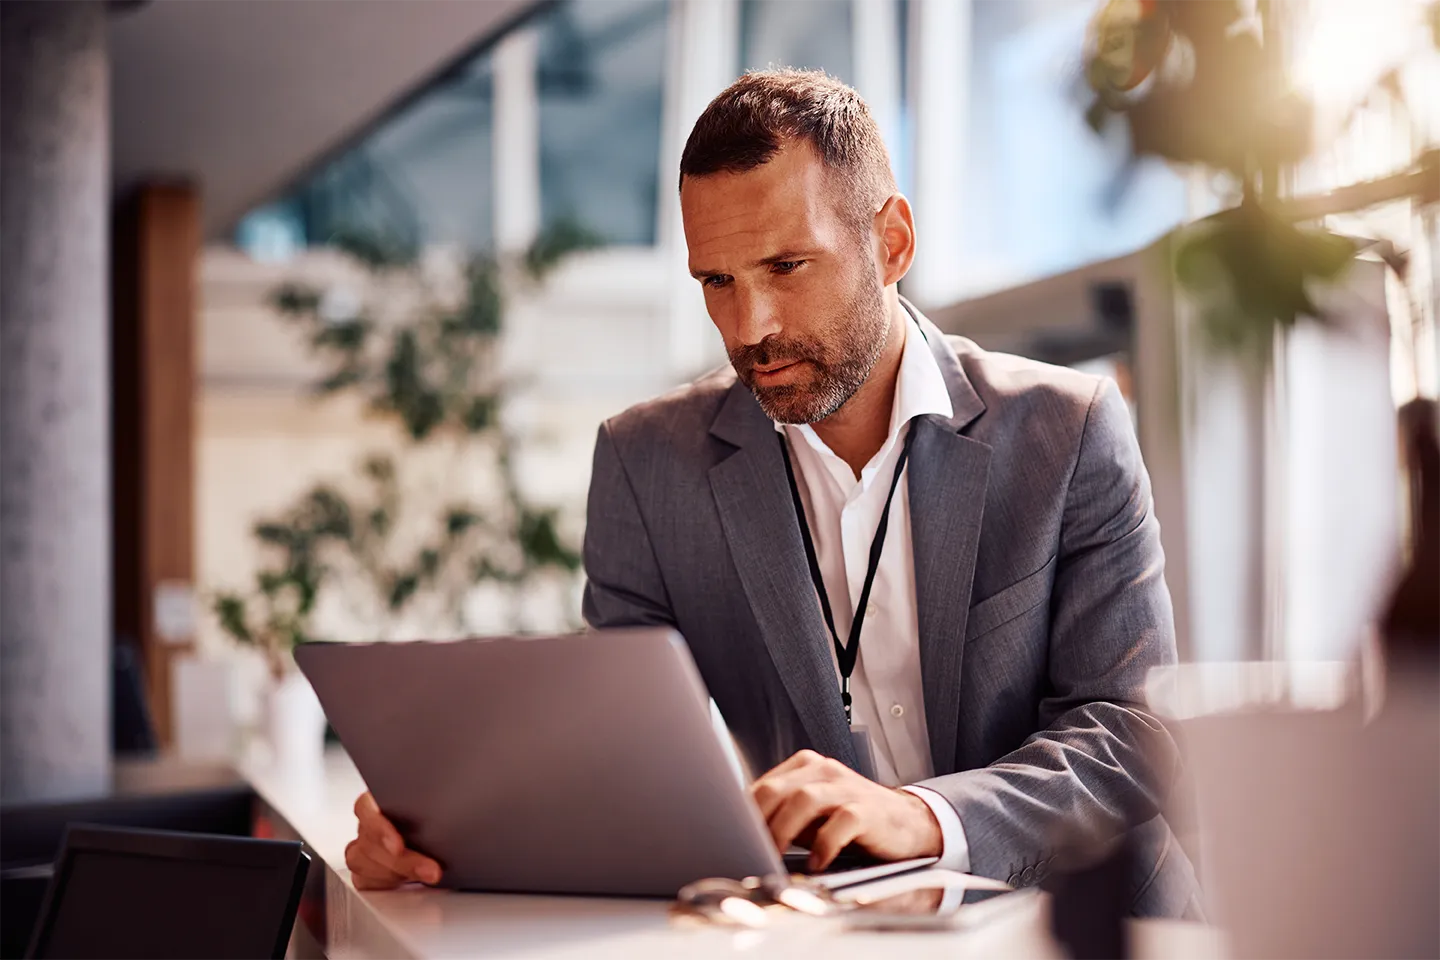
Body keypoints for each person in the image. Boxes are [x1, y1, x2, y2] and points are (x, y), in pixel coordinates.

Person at [346, 69, 1199, 917]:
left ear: (892, 243)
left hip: (1086, 926)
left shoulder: (1069, 429)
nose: (749, 327)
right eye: (716, 281)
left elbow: (1133, 736)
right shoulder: (647, 463)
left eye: (786, 265)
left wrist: (922, 818)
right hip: (830, 935)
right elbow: (626, 756)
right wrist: (453, 833)